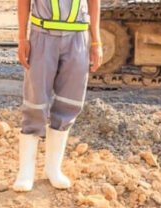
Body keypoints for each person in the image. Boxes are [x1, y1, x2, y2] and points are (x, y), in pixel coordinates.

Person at [12, 0, 103, 192]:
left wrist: (96, 41)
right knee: (35, 102)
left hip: (77, 38)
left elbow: (94, 2)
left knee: (70, 102)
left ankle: (53, 169)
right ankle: (26, 171)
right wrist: (22, 38)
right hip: (42, 36)